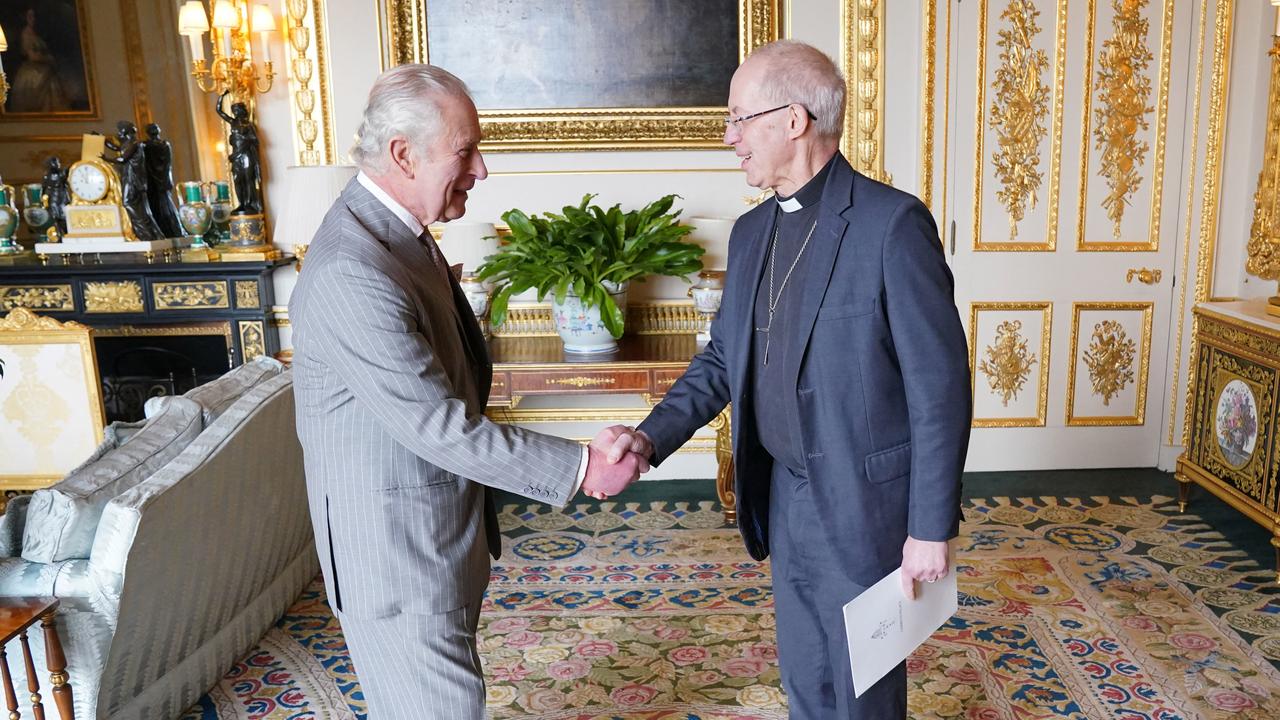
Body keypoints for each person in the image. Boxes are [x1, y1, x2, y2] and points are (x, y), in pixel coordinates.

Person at [601, 40, 971, 719]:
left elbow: (938, 390)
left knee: (864, 691)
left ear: (794, 119)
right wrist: (648, 439)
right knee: (806, 677)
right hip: (785, 494)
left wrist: (929, 526)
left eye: (740, 119)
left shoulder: (892, 227)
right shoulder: (749, 234)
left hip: (866, 507)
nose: (729, 137)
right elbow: (721, 362)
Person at [288, 64, 642, 720]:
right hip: (396, 562)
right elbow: (437, 426)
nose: (482, 170)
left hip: (427, 545)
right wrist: (583, 465)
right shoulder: (353, 270)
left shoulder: (397, 239)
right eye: (466, 150)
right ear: (403, 153)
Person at [215, 92, 264, 215]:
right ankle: (241, 204)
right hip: (236, 157)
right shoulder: (233, 122)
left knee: (248, 180)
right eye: (234, 110)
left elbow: (255, 141)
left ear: (242, 111)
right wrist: (221, 96)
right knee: (237, 179)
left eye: (237, 110)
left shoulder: (248, 125)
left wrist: (241, 140)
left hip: (246, 155)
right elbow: (219, 111)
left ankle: (250, 204)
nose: (235, 112)